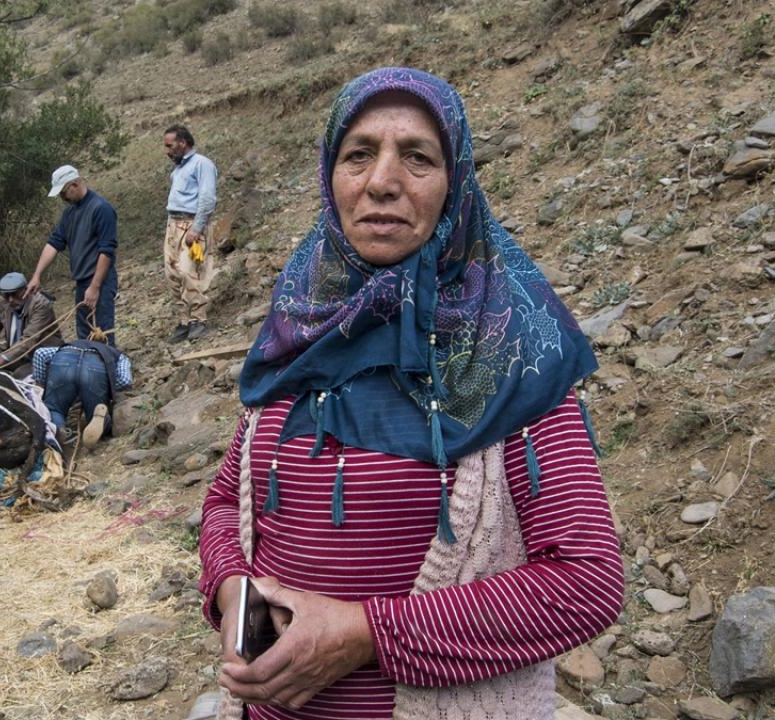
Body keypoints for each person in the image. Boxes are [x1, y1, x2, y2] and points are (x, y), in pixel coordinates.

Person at [198, 67, 624, 719]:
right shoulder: (301, 329)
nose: (382, 182)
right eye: (359, 154)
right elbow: (229, 498)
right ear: (329, 175)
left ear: (456, 183)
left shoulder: (508, 351)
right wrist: (232, 588)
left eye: (418, 157)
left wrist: (366, 635)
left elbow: (585, 583)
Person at [26, 165, 118, 346]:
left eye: (63, 193)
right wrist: (37, 275)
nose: (62, 198)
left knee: (101, 333)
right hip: (82, 281)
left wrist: (95, 286)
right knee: (84, 335)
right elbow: (54, 243)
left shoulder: (101, 208)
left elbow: (106, 251)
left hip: (100, 281)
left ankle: (109, 370)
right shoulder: (69, 212)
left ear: (75, 184)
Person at [162, 125, 219, 343]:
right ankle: (184, 321)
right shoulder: (178, 169)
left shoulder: (202, 164)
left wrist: (196, 228)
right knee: (173, 274)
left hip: (191, 224)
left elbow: (207, 198)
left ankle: (198, 319)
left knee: (191, 271)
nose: (166, 151)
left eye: (169, 146)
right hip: (173, 224)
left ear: (182, 143)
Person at [32, 339, 131, 447]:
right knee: (95, 412)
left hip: (64, 360)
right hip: (96, 369)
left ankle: (58, 428)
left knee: (54, 409)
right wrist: (107, 386)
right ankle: (100, 419)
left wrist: (40, 384)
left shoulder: (73, 344)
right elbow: (125, 381)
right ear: (106, 343)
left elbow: (40, 353)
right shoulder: (116, 354)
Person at [0, 271, 64, 377]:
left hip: (38, 354)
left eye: (15, 294)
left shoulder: (41, 305)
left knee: (20, 374)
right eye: (7, 295)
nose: (11, 299)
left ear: (26, 290)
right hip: (15, 352)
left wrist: (0, 360)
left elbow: (29, 340)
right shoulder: (3, 302)